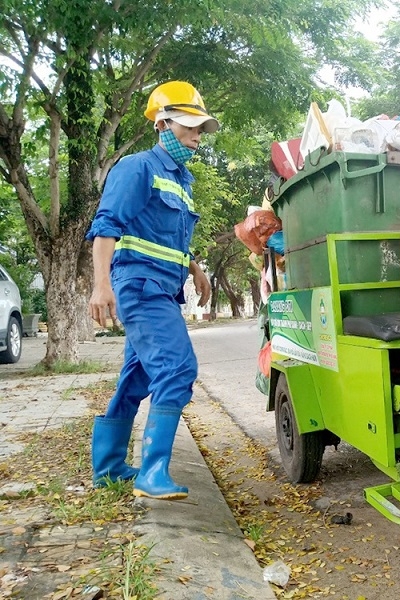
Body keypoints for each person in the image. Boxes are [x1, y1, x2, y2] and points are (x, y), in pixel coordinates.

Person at [86, 81, 218, 500]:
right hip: (139, 287)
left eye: (201, 129)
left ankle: (108, 467)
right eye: (190, 127)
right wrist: (100, 286)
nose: (198, 136)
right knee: (177, 369)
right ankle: (152, 471)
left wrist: (195, 268)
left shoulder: (181, 179)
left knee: (136, 377)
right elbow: (106, 226)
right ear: (162, 124)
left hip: (162, 286)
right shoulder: (137, 167)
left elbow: (169, 234)